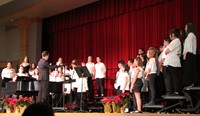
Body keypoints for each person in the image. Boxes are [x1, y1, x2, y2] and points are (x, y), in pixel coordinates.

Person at [164, 28, 181, 95]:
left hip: (173, 62)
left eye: (170, 35)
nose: (169, 36)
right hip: (171, 62)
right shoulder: (175, 41)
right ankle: (174, 91)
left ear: (173, 35)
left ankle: (176, 91)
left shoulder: (176, 41)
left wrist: (167, 49)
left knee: (175, 77)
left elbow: (166, 51)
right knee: (172, 78)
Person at [182, 23, 198, 87]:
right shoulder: (191, 35)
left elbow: (189, 46)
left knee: (189, 69)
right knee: (190, 69)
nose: (185, 29)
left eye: (186, 27)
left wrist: (185, 54)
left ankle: (191, 83)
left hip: (189, 54)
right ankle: (191, 82)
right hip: (190, 54)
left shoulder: (191, 35)